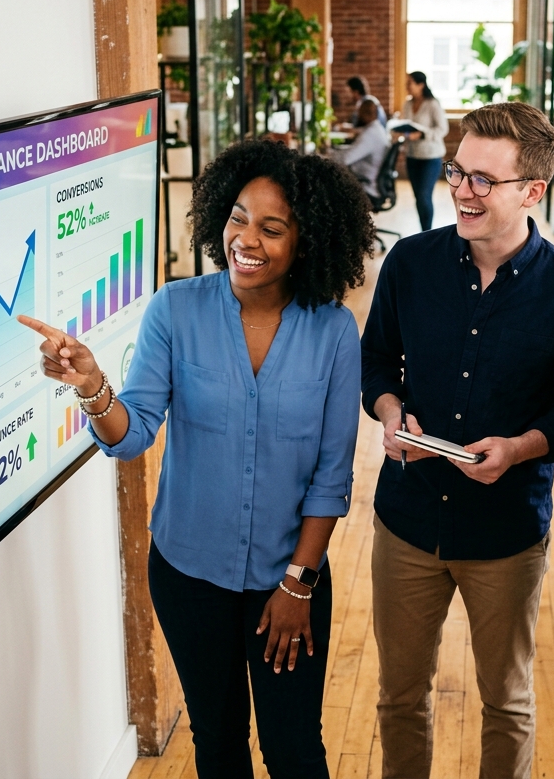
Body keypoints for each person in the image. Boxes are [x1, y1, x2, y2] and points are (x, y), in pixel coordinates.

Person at [20, 140, 376, 779]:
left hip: (287, 577)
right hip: (188, 574)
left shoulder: (333, 331)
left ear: (308, 241)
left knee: (295, 749)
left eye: (272, 228)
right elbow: (132, 435)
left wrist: (298, 583)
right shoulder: (175, 309)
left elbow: (331, 476)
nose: (247, 239)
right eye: (238, 217)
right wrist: (93, 386)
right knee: (217, 744)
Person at [361, 102, 554, 779]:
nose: (462, 189)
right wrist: (391, 410)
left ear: (532, 191)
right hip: (407, 517)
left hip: (506, 531)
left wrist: (519, 449)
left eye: (484, 180)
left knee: (507, 701)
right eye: (458, 171)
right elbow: (376, 362)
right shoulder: (409, 261)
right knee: (399, 696)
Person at [398, 70, 450, 231]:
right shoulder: (407, 104)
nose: (407, 86)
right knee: (418, 198)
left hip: (431, 157)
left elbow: (443, 129)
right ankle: (424, 232)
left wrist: (421, 134)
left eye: (409, 83)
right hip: (412, 156)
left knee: (424, 196)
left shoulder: (432, 104)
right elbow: (405, 124)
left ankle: (427, 232)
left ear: (421, 85)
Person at [333, 98, 389, 200]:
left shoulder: (370, 135)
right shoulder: (376, 129)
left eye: (358, 112)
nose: (357, 116)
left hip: (366, 184)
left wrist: (325, 156)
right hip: (368, 179)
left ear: (364, 114)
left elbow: (346, 159)